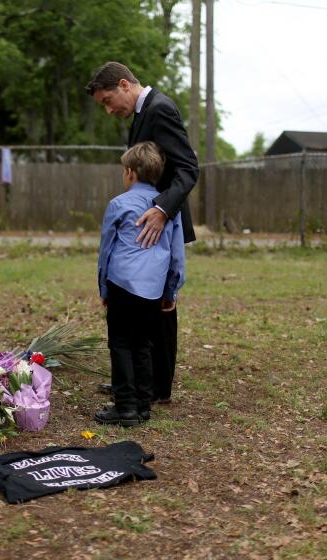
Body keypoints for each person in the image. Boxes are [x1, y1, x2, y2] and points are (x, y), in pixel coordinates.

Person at [86, 61, 199, 404]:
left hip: (161, 223)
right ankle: (135, 382)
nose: (108, 110)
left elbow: (188, 168)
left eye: (108, 100)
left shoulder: (160, 109)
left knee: (162, 308)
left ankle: (156, 389)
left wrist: (163, 210)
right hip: (146, 223)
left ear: (124, 85)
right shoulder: (141, 113)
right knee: (145, 309)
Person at [96, 142, 185, 427]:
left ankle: (125, 408)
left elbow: (106, 251)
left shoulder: (118, 204)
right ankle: (143, 405)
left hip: (122, 283)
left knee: (121, 343)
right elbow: (176, 254)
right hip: (153, 287)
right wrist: (171, 290)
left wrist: (104, 288)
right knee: (145, 344)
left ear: (130, 172)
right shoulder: (168, 207)